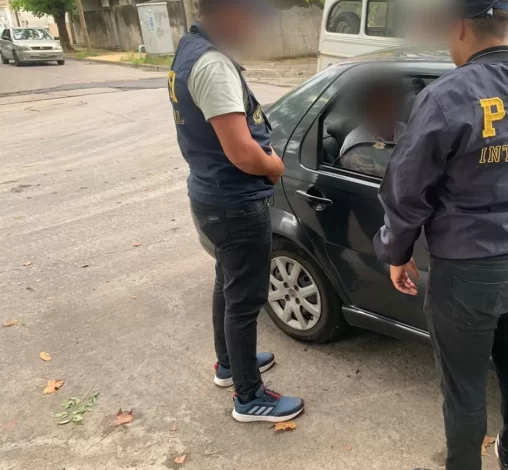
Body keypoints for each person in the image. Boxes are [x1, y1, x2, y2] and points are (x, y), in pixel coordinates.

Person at [372, 0, 508, 468]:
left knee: (465, 390)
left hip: (468, 271)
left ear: (459, 26)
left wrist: (396, 250)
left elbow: (407, 188)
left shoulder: (446, 97)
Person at [168, 0, 304, 423]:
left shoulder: (189, 49)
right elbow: (242, 152)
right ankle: (249, 397)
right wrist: (274, 167)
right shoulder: (211, 64)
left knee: (227, 284)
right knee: (245, 300)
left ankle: (229, 364)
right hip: (234, 201)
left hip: (213, 195)